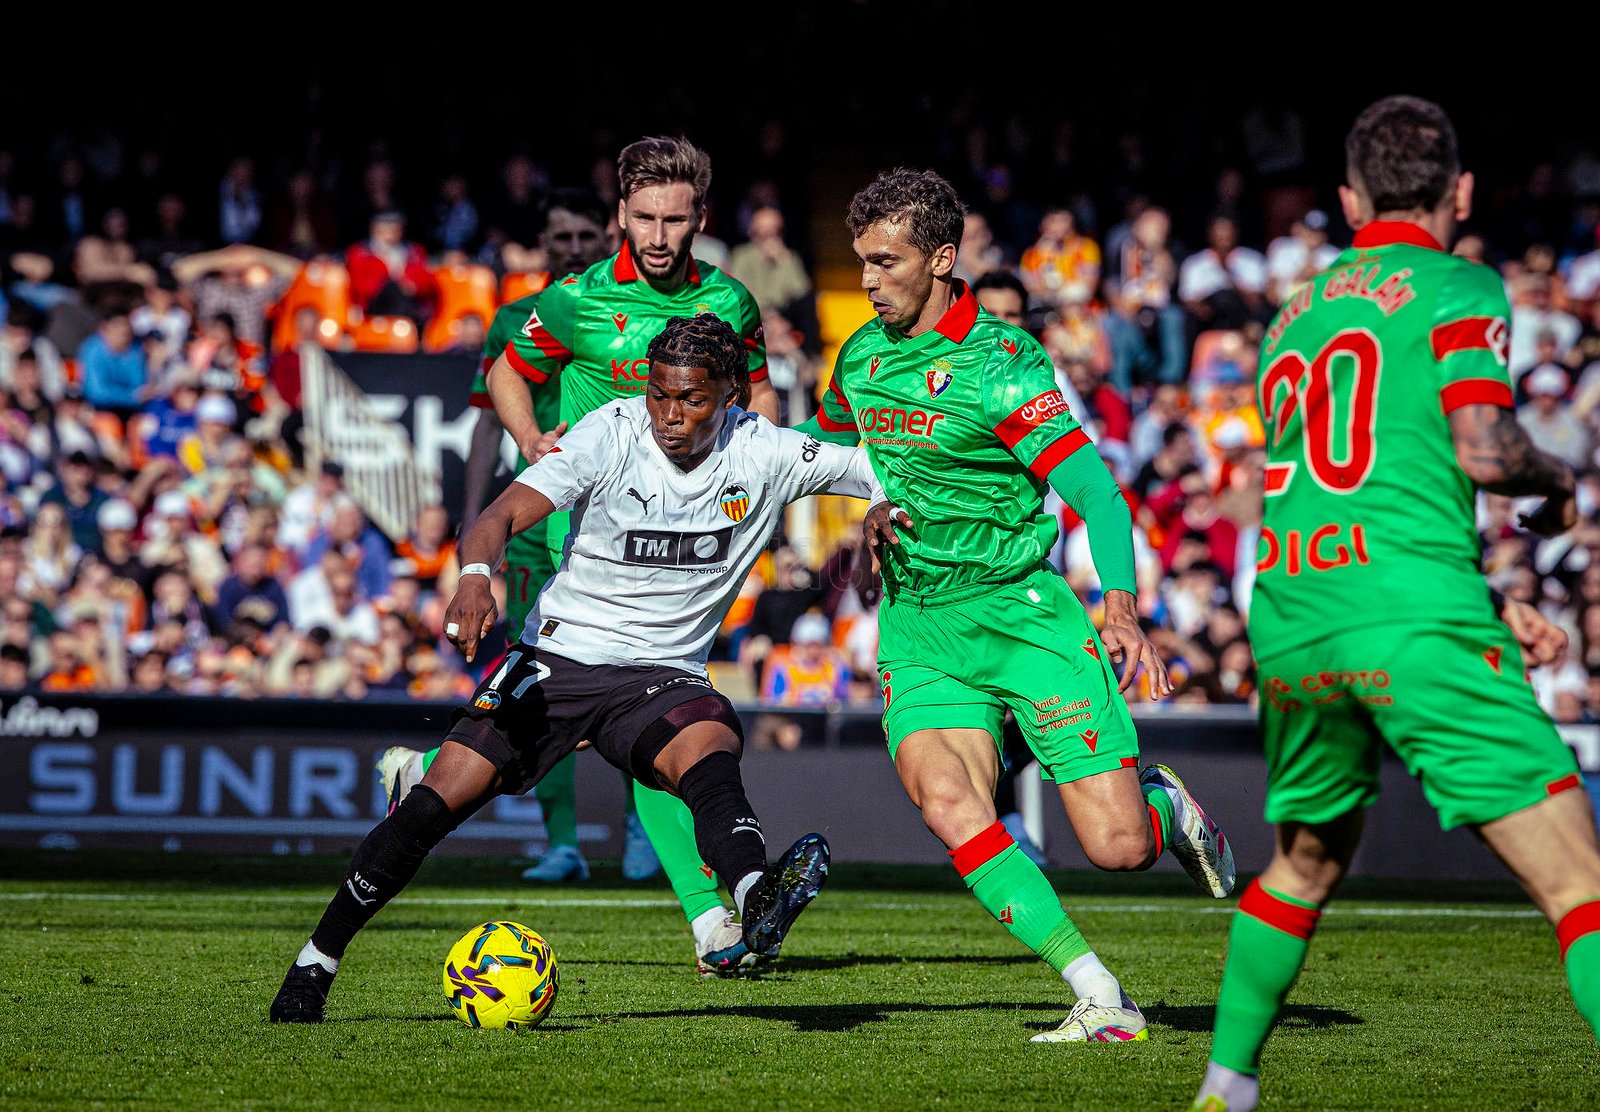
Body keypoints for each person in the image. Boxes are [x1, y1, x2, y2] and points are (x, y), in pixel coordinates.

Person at [269, 313, 881, 1023]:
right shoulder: (610, 433)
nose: (669, 415)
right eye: (659, 394)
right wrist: (474, 577)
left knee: (710, 747)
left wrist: (881, 505)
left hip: (662, 675)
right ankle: (315, 962)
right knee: (433, 808)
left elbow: (879, 470)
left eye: (691, 400)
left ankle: (752, 898)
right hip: (558, 658)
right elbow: (497, 516)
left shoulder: (767, 450)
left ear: (731, 397)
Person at [1189, 96, 1600, 1112]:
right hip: (1410, 612)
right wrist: (1556, 481)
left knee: (1302, 866)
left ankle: (1223, 1088)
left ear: (1348, 200)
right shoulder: (1460, 282)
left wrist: (1487, 597)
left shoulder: (1294, 313)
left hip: (1294, 617)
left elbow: (1360, 486)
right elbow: (1483, 451)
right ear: (1461, 191)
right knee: (1580, 886)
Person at [798, 168, 1235, 1044]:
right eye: (862, 262)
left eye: (887, 262)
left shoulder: (1004, 365)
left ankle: (1163, 805)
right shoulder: (861, 356)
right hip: (922, 624)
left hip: (1023, 615)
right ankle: (1098, 991)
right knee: (948, 800)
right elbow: (827, 449)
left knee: (1120, 848)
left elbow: (1097, 494)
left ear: (942, 259)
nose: (869, 280)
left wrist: (1121, 608)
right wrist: (861, 499)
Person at [383, 138, 780, 967]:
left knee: (644, 720)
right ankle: (710, 918)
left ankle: (429, 773)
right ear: (621, 216)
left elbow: (759, 396)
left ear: (701, 218)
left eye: (676, 219)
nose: (660, 236)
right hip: (593, 548)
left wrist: (766, 473)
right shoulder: (576, 301)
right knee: (657, 715)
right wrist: (532, 441)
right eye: (645, 218)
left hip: (690, 538)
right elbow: (507, 372)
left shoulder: (732, 302)